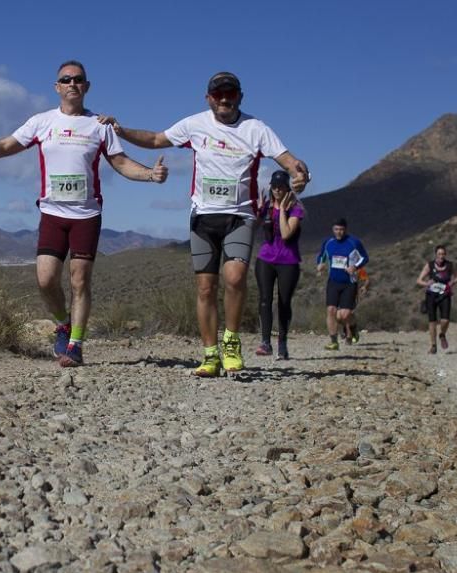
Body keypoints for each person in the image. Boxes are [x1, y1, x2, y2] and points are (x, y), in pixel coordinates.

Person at [0, 60, 167, 367]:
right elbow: (4, 146)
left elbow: (120, 163)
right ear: (57, 87)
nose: (72, 84)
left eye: (78, 79)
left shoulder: (100, 125)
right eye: (65, 80)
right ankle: (62, 323)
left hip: (86, 214)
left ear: (86, 86)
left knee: (80, 281)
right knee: (45, 279)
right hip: (53, 212)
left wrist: (151, 175)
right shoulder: (42, 122)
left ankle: (76, 345)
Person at [98, 72, 310, 376]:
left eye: (230, 94)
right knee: (205, 287)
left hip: (240, 215)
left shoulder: (256, 129)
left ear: (240, 96)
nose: (224, 99)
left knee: (235, 278)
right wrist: (121, 130)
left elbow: (288, 160)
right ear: (208, 98)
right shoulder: (195, 124)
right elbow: (157, 139)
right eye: (218, 94)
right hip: (203, 217)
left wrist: (300, 175)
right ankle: (210, 355)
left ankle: (232, 343)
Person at [255, 170, 304, 360]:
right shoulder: (266, 206)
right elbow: (256, 227)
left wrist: (282, 210)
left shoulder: (296, 209)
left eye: (281, 186)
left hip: (288, 261)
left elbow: (285, 233)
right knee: (265, 299)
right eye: (274, 187)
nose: (277, 190)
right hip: (265, 258)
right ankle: (265, 342)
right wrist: (259, 212)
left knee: (284, 302)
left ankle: (282, 342)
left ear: (287, 187)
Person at [316, 218, 369, 350]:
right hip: (333, 281)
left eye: (341, 229)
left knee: (345, 315)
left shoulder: (353, 242)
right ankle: (334, 341)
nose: (339, 232)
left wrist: (355, 267)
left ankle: (353, 327)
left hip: (349, 283)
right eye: (336, 229)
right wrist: (320, 264)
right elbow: (321, 255)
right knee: (331, 310)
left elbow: (365, 257)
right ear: (333, 230)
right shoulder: (328, 243)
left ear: (345, 229)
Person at [416, 245, 457, 353]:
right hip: (431, 295)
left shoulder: (450, 265)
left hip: (445, 294)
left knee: (445, 320)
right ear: (436, 254)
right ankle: (433, 346)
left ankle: (442, 334)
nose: (441, 256)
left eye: (443, 254)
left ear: (445, 254)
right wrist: (426, 283)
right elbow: (419, 280)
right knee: (432, 321)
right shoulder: (430, 265)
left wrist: (452, 283)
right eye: (439, 254)